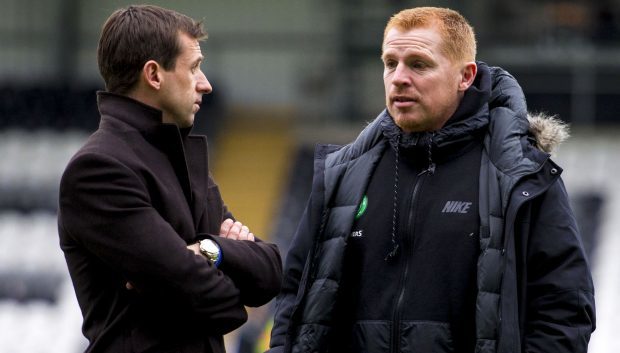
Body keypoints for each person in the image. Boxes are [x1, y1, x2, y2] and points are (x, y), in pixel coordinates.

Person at [267, 7, 595, 353]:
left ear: (465, 76)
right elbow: (295, 303)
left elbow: (565, 311)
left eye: (418, 64)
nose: (399, 78)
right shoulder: (342, 175)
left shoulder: (520, 177)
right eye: (390, 63)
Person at [57, 5, 282, 353]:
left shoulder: (182, 158)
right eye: (193, 68)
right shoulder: (98, 169)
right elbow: (205, 296)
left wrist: (212, 249)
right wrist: (229, 268)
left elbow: (270, 272)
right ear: (154, 75)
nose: (205, 84)